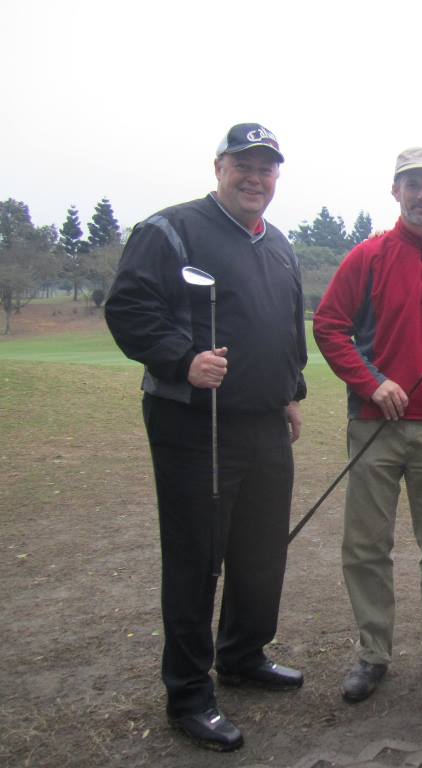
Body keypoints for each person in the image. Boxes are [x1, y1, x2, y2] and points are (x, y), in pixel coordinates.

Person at [105, 123, 306, 752]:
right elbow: (129, 308)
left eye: (266, 168)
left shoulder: (279, 244)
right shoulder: (170, 230)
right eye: (244, 164)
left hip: (264, 421)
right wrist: (182, 359)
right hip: (195, 422)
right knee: (197, 557)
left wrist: (291, 391)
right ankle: (189, 694)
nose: (255, 177)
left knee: (261, 550)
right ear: (220, 167)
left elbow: (285, 326)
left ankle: (243, 654)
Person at [313, 147, 422, 703]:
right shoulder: (367, 257)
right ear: (396, 191)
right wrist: (371, 383)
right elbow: (330, 327)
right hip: (375, 427)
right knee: (366, 547)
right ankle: (373, 654)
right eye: (412, 184)